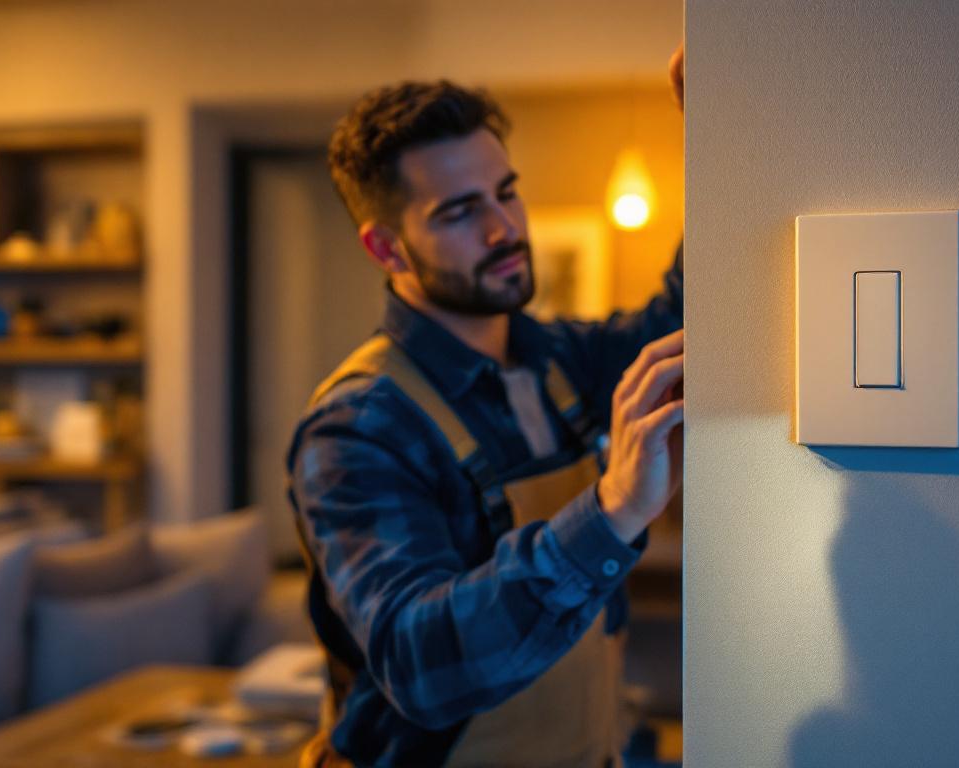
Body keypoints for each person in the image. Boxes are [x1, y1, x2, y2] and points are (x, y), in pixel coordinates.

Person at [286, 47, 686, 768]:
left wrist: (727, 139)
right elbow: (419, 663)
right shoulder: (358, 427)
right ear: (387, 248)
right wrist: (615, 510)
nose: (505, 228)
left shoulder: (557, 359)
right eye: (461, 212)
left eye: (506, 192)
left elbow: (686, 320)